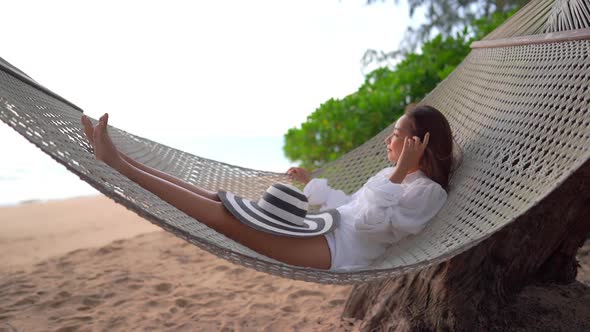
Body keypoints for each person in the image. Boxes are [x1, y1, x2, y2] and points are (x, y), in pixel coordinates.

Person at [80, 104, 454, 271]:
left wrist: (399, 172)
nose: (388, 142)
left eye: (397, 135)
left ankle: (117, 164)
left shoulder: (427, 194)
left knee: (224, 219)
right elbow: (352, 205)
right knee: (221, 200)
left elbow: (372, 225)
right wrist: (314, 185)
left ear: (419, 145)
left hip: (336, 251)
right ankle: (123, 161)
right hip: (325, 229)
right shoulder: (389, 178)